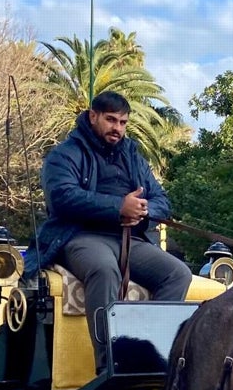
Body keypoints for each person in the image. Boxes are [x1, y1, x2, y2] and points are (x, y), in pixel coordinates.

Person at [30, 91, 192, 371]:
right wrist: (119, 206)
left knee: (178, 273)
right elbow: (62, 197)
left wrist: (142, 210)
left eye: (123, 122)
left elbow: (162, 201)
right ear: (93, 116)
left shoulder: (133, 156)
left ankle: (151, 354)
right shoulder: (64, 154)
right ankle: (109, 364)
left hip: (130, 239)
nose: (117, 128)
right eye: (111, 120)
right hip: (78, 236)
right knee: (105, 270)